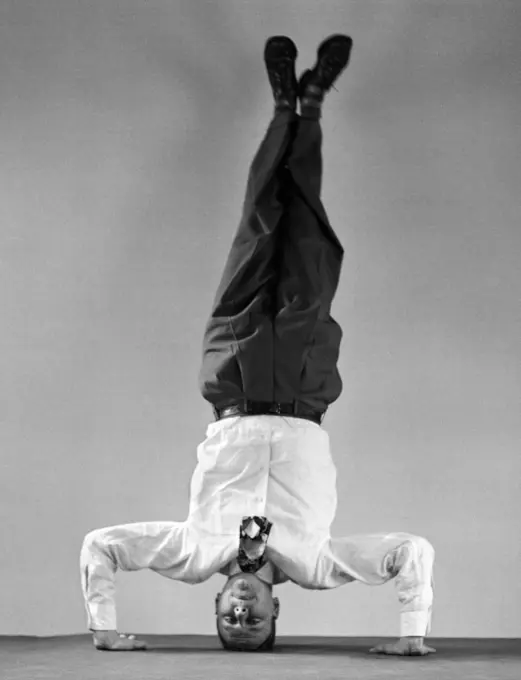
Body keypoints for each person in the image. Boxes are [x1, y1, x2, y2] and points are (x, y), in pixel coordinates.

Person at [80, 34, 436, 657]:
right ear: (278, 611)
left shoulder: (192, 552)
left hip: (235, 383)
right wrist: (412, 634)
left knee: (257, 226)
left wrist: (104, 628)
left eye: (230, 622)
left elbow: (100, 546)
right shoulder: (318, 564)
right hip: (303, 386)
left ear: (217, 604)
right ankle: (313, 106)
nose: (242, 615)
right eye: (256, 624)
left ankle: (282, 110)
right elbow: (413, 552)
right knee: (312, 240)